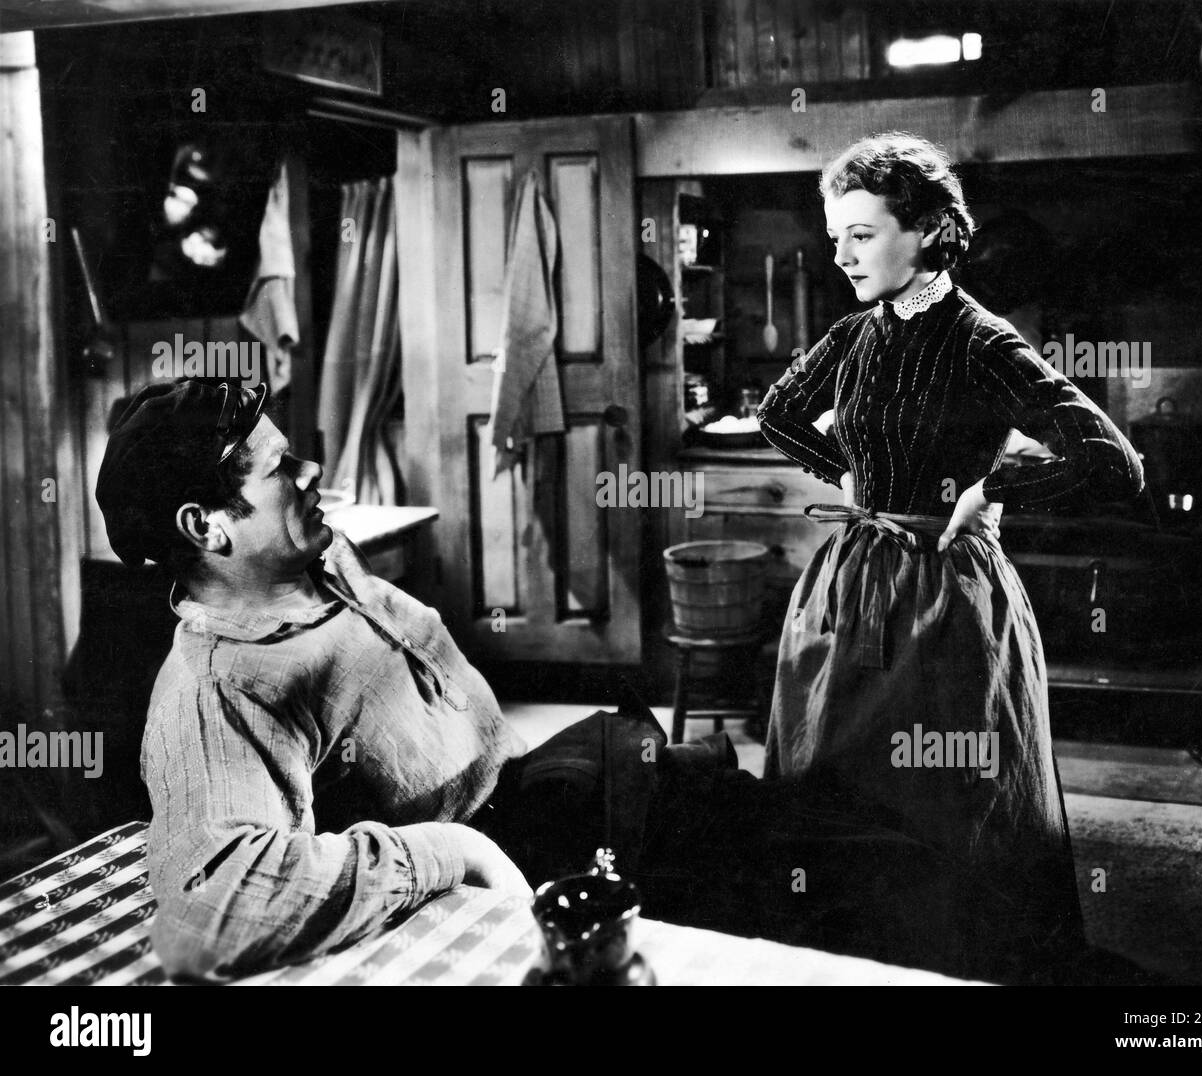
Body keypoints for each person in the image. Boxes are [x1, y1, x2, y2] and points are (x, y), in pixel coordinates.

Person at [94, 379, 789, 982]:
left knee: (817, 831)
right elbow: (213, 914)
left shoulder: (319, 561)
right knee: (811, 915)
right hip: (516, 866)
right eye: (279, 468)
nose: (311, 471)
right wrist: (450, 849)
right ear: (206, 527)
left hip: (561, 793)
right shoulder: (220, 691)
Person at [757, 132, 1145, 983]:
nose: (842, 255)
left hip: (948, 603)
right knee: (829, 788)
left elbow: (1112, 459)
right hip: (848, 587)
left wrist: (993, 487)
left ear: (928, 228)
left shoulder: (980, 338)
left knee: (945, 803)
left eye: (861, 234)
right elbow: (778, 414)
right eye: (835, 237)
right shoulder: (856, 333)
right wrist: (847, 469)